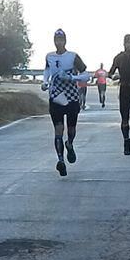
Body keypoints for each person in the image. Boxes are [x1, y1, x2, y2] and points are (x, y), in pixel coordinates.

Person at [41, 29, 90, 176]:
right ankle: (60, 160)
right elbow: (47, 72)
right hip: (56, 96)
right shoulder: (49, 57)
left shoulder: (73, 57)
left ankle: (70, 143)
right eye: (56, 40)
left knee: (71, 129)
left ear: (65, 41)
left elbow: (86, 75)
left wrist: (73, 79)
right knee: (58, 129)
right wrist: (44, 83)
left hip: (71, 96)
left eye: (61, 40)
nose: (59, 42)